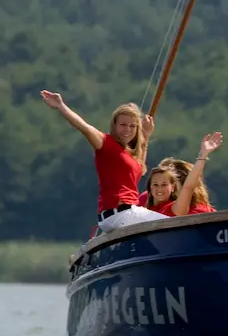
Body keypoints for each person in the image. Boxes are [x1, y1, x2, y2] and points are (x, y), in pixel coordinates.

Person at [40, 90, 165, 232]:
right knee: (170, 225)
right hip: (120, 214)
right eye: (123, 125)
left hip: (123, 216)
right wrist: (61, 106)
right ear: (114, 125)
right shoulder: (106, 143)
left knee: (167, 224)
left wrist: (146, 136)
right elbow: (84, 128)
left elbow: (140, 169)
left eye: (132, 126)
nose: (127, 130)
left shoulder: (129, 155)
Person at [171, 132, 222, 216]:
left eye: (166, 183)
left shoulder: (201, 211)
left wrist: (203, 155)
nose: (160, 188)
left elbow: (188, 187)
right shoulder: (151, 201)